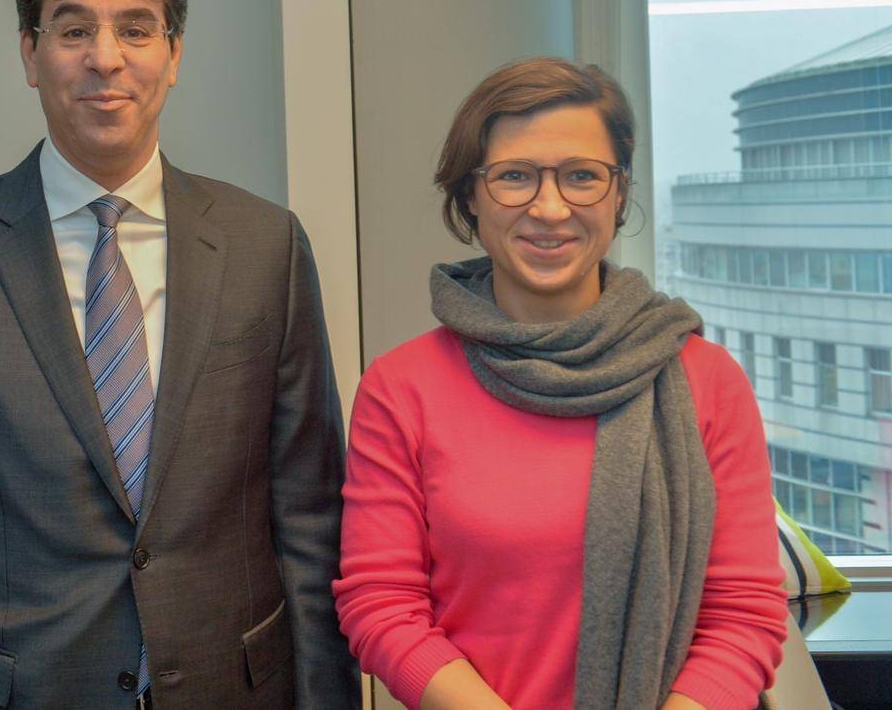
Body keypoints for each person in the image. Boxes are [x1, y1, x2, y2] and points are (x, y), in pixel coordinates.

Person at [0, 0, 355, 709]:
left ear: (175, 55)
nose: (105, 58)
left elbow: (311, 518)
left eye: (137, 29)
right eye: (73, 29)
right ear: (30, 54)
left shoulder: (268, 247)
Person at [333, 57, 787, 710]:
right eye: (515, 177)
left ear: (620, 193)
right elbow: (382, 603)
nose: (550, 209)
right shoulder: (402, 389)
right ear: (470, 196)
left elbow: (743, 613)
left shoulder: (706, 382)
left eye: (581, 177)